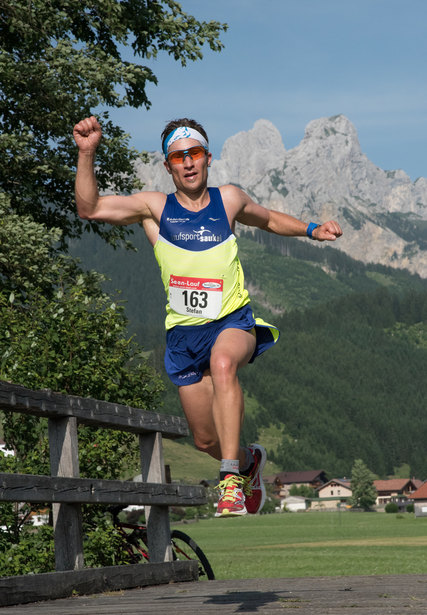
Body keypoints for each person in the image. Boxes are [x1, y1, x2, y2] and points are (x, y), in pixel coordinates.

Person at [73, 115, 343, 517]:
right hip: (183, 335)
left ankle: (230, 481)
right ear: (168, 166)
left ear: (208, 157)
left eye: (194, 153)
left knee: (223, 363)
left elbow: (267, 219)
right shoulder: (154, 208)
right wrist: (87, 152)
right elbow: (89, 208)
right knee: (203, 439)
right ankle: (249, 461)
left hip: (232, 321)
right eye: (179, 156)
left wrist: (311, 229)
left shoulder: (229, 199)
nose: (188, 162)